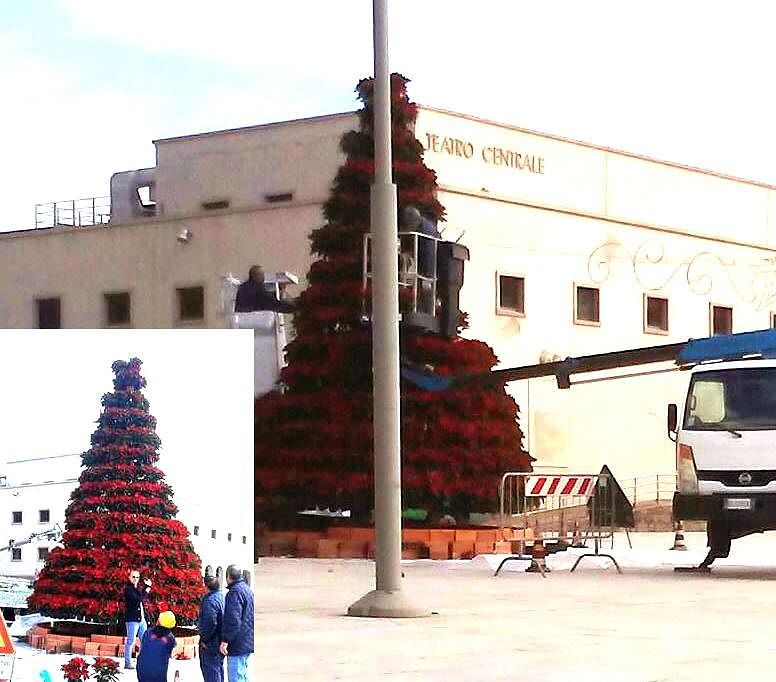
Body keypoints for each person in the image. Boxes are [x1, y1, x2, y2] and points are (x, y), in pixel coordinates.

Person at [220, 566, 254, 682]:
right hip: (248, 639)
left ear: (228, 577)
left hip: (237, 643)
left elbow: (233, 620)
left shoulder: (234, 593)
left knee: (236, 677)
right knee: (242, 675)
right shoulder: (247, 590)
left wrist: (225, 640)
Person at [136, 611, 177, 682]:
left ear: (159, 621)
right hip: (158, 674)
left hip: (141, 670)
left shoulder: (148, 632)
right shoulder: (170, 638)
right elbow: (171, 650)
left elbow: (144, 645)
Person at [198, 575, 225, 682]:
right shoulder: (221, 597)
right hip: (220, 640)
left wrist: (204, 640)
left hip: (211, 643)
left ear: (206, 587)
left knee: (211, 673)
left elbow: (210, 623)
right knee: (218, 671)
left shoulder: (210, 601)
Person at [123, 569, 151, 669]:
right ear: (129, 577)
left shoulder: (137, 589)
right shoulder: (128, 589)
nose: (135, 579)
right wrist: (147, 589)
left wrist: (146, 588)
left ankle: (143, 661)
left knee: (145, 640)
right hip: (132, 619)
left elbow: (141, 598)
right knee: (131, 641)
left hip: (141, 619)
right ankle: (127, 662)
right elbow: (137, 599)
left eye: (137, 577)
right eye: (133, 577)